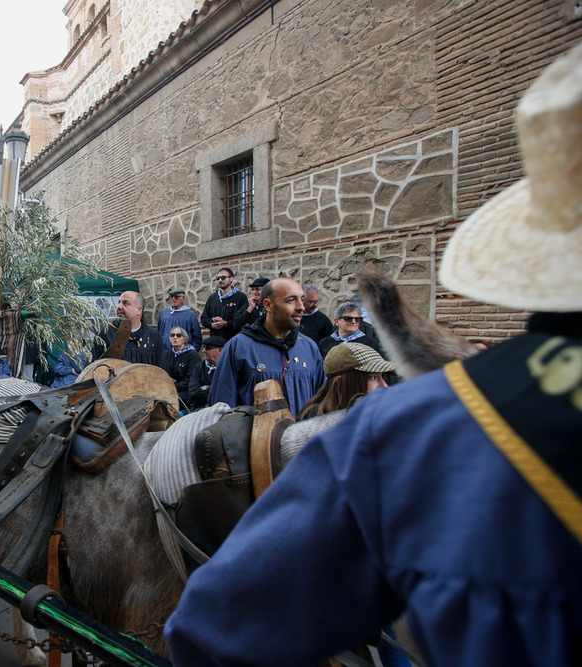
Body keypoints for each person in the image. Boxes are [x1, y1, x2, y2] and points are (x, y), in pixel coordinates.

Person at [166, 44, 582, 666]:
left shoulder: (413, 433)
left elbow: (214, 634)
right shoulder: (247, 348)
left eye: (307, 301)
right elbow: (224, 401)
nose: (303, 307)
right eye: (290, 300)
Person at [208, 277, 324, 417]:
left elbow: (321, 404)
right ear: (268, 305)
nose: (301, 307)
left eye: (301, 299)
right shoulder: (238, 348)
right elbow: (222, 409)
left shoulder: (310, 348)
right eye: (291, 300)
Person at [296, 342, 394, 420]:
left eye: (382, 377)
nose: (384, 385)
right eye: (373, 377)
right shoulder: (315, 421)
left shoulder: (375, 414)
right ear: (340, 382)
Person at [94, 290, 163, 365]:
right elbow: (92, 368)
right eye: (119, 302)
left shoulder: (153, 336)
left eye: (125, 303)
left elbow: (161, 370)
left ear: (139, 310)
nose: (119, 307)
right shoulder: (106, 333)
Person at [318, 302, 386, 358]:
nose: (353, 322)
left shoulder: (370, 343)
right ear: (336, 321)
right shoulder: (325, 343)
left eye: (357, 319)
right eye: (348, 318)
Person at [199, 268, 249, 341]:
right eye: (218, 278)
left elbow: (242, 321)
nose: (220, 280)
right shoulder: (213, 298)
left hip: (233, 341)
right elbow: (204, 318)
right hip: (215, 342)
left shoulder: (241, 297)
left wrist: (225, 323)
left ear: (231, 279)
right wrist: (212, 324)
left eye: (223, 278)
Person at [160, 326, 199, 408]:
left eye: (178, 335)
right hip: (171, 388)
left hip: (186, 390)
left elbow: (191, 379)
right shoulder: (169, 354)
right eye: (172, 335)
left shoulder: (192, 355)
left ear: (184, 339)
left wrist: (175, 387)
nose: (175, 337)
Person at [186, 335, 225, 410]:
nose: (204, 350)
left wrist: (205, 388)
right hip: (198, 408)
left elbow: (222, 393)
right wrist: (211, 389)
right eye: (204, 347)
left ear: (220, 350)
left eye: (208, 348)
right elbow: (193, 392)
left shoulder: (225, 368)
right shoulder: (199, 367)